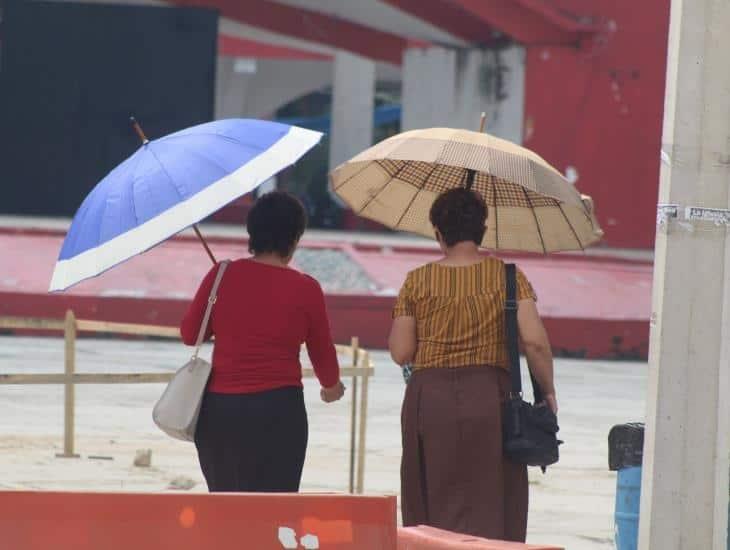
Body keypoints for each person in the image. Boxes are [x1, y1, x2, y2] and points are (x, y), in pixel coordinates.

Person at [389, 188, 557, 541]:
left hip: (429, 400)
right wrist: (548, 392)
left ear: (438, 232)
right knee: (493, 498)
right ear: (482, 229)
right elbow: (535, 342)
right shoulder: (508, 277)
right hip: (490, 399)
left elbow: (401, 351)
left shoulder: (417, 281)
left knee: (431, 498)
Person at [181, 191, 345, 493]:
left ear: (251, 233)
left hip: (221, 414)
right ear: (295, 237)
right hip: (279, 414)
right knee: (275, 515)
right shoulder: (306, 288)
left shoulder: (221, 274)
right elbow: (322, 351)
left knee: (228, 513)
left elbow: (191, 335)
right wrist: (331, 387)